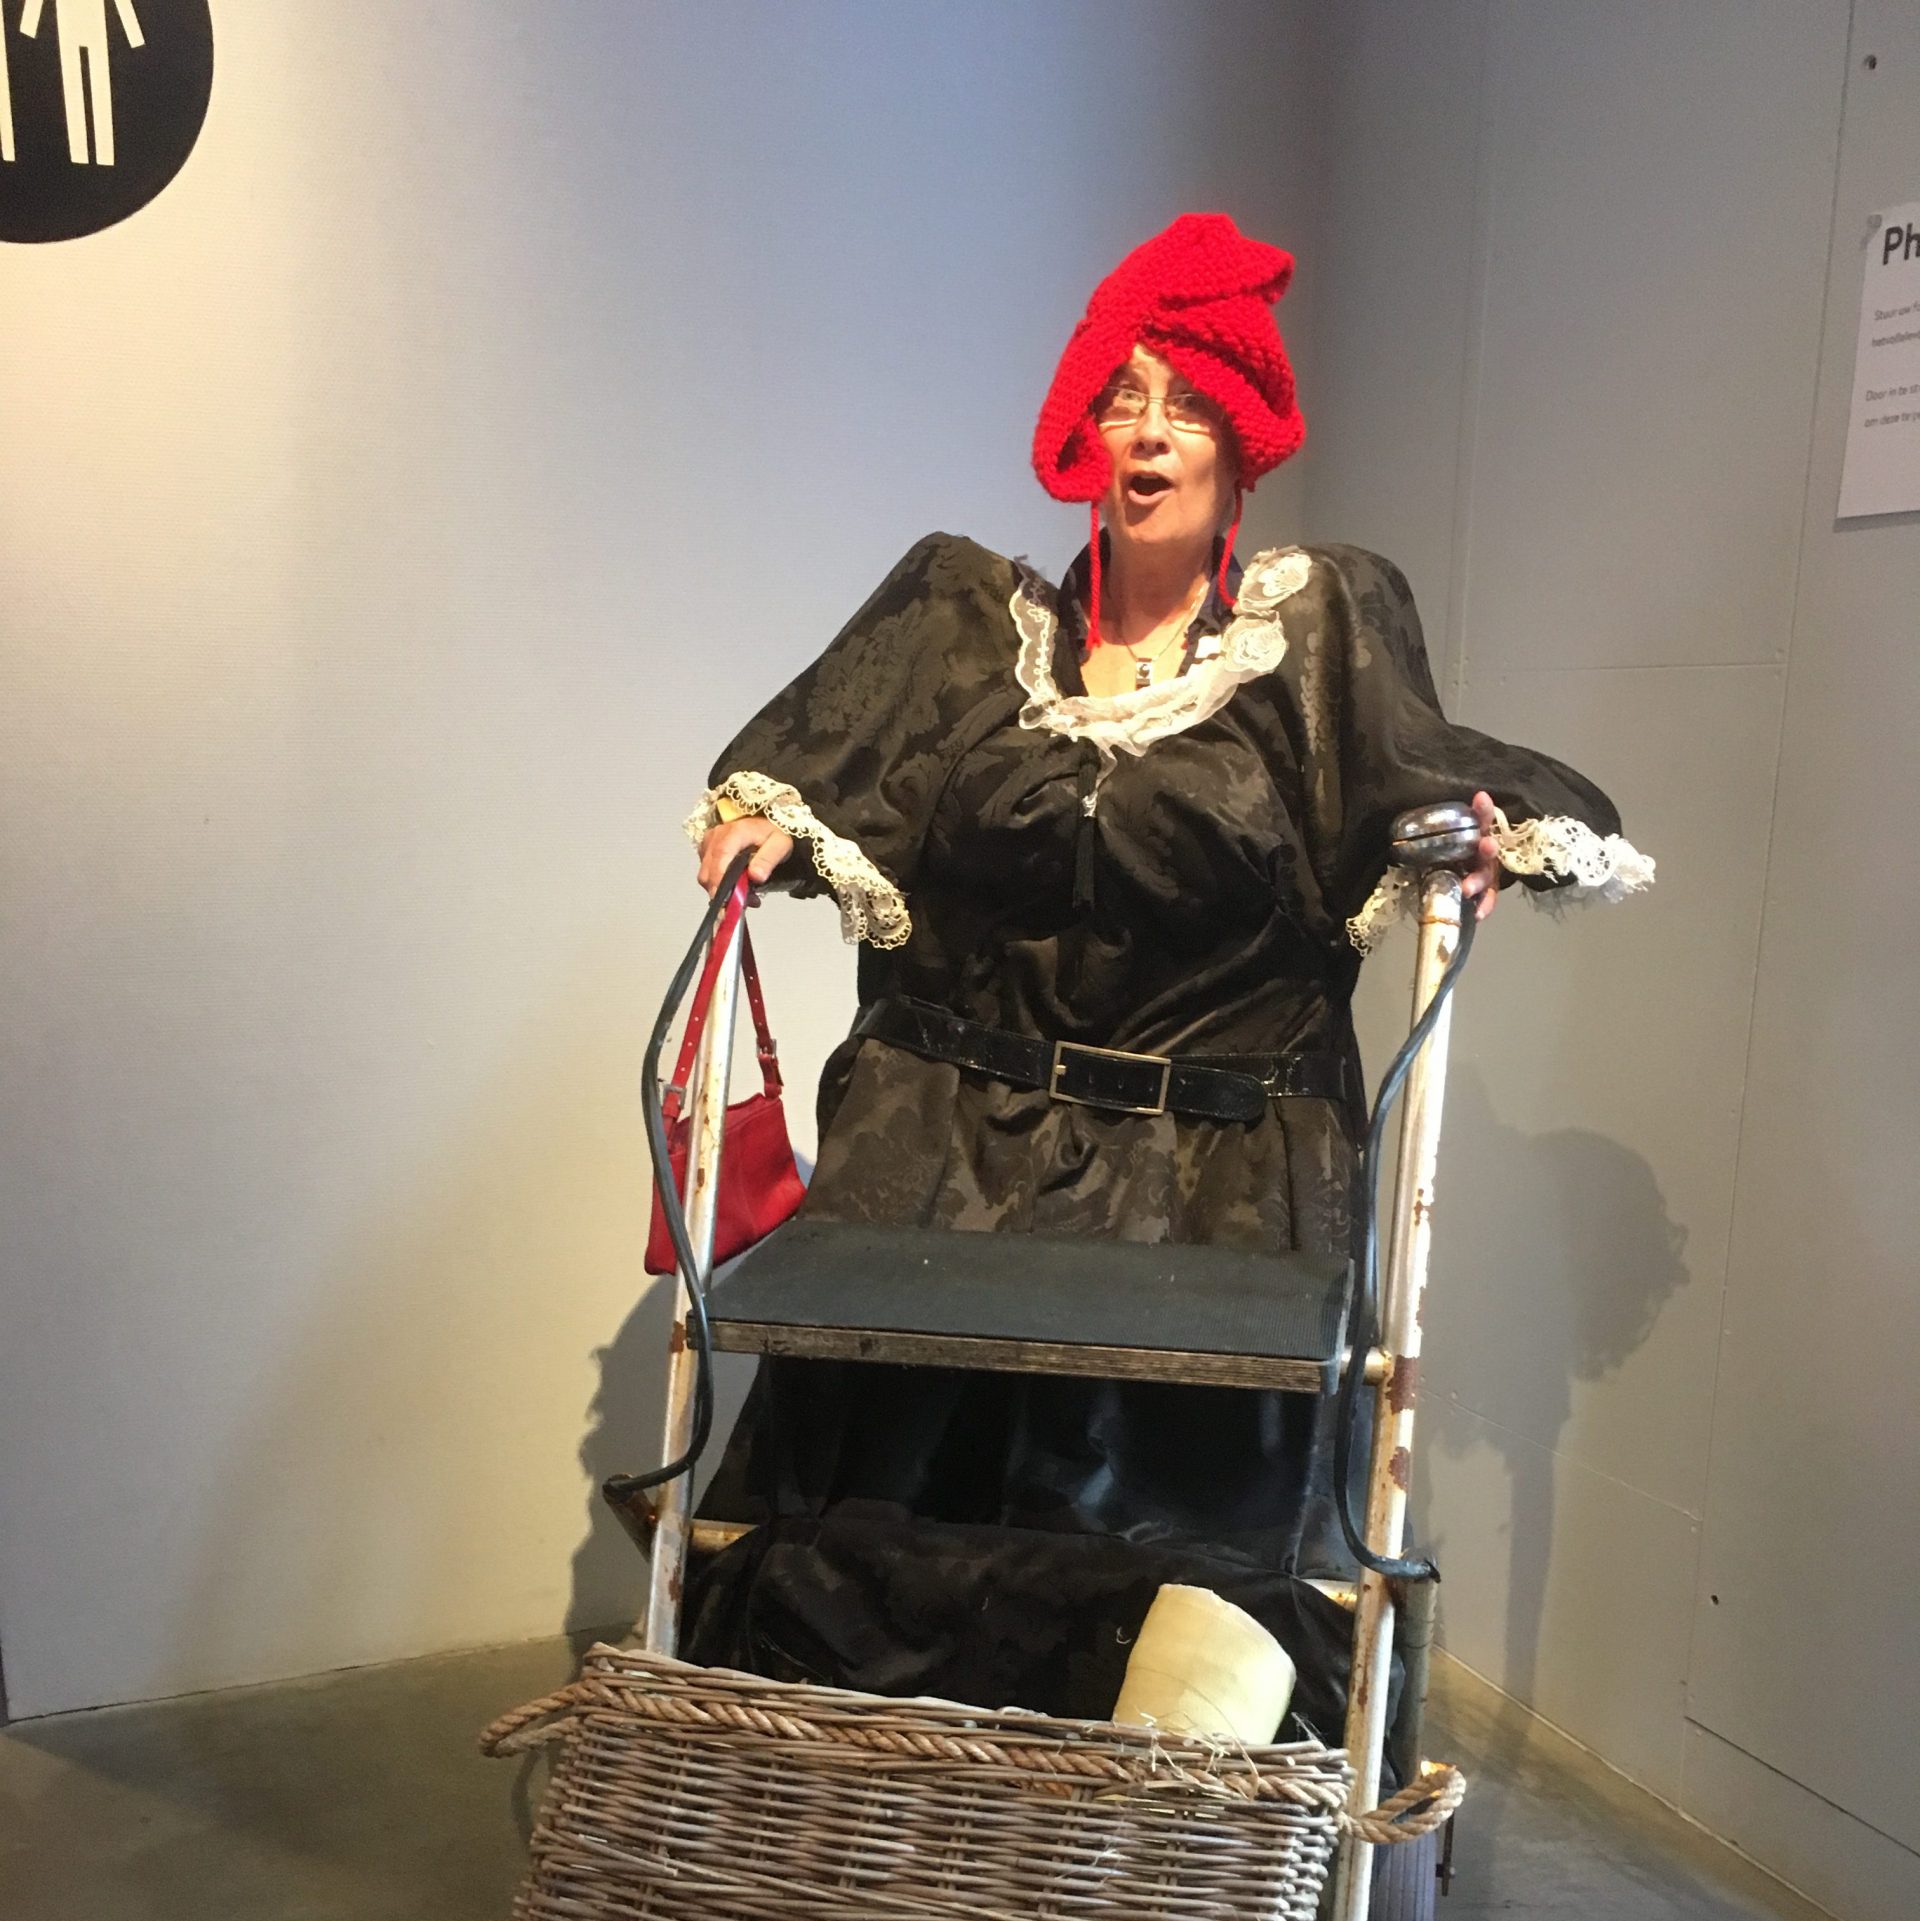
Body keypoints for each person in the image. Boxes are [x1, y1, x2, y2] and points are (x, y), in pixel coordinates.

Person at [672, 213, 1650, 1729]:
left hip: (1215, 1180)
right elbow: (832, 768)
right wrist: (766, 828)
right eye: (1124, 399)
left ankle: (1176, 1832)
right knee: (886, 1511)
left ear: (1239, 447)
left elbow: (1418, 767)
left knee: (1171, 1554)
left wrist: (1484, 838)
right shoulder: (961, 625)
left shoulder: (1313, 634)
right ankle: (865, 1793)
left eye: (1187, 407)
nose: (1148, 435)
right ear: (1082, 429)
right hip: (947, 1158)